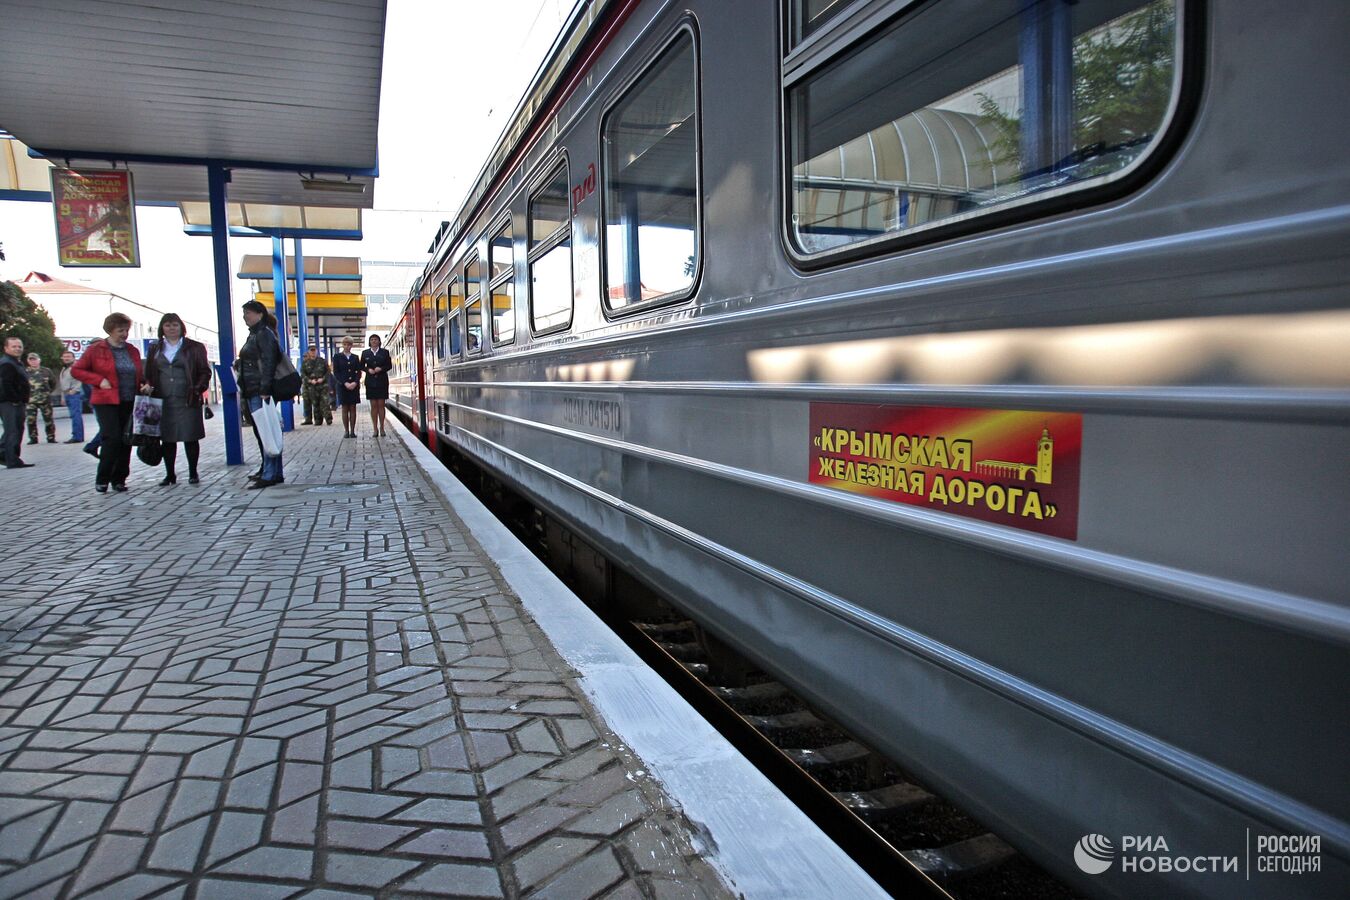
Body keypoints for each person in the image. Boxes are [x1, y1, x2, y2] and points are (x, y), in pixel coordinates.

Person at [72, 313, 145, 493]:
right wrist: (98, 380)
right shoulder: (96, 349)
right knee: (111, 438)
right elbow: (77, 370)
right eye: (120, 330)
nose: (124, 334)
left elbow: (139, 373)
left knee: (126, 439)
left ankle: (119, 479)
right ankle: (103, 478)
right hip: (106, 400)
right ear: (110, 330)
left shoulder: (132, 350)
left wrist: (144, 384)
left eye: (126, 330)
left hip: (129, 400)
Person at [143, 313, 211, 485]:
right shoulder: (155, 348)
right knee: (167, 438)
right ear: (162, 328)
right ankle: (170, 474)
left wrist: (197, 389)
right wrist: (147, 385)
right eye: (167, 325)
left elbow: (205, 371)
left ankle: (193, 472)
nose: (171, 328)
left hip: (188, 397)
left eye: (175, 325)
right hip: (163, 399)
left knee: (190, 436)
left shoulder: (194, 347)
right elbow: (149, 372)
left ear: (181, 327)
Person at [237, 300, 284, 488]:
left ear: (259, 314)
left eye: (247, 313)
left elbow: (269, 362)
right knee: (267, 430)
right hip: (254, 389)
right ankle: (274, 471)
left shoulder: (263, 334)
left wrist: (264, 389)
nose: (245, 317)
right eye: (244, 313)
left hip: (259, 390)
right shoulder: (257, 334)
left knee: (266, 431)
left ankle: (269, 474)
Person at [1, 335, 33, 468]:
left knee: (14, 429)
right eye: (14, 346)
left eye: (19, 346)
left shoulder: (15, 362)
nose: (17, 349)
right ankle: (12, 460)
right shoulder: (7, 363)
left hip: (16, 401)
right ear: (6, 348)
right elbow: (5, 384)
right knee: (13, 430)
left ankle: (4, 454)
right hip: (10, 403)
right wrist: (14, 399)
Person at [361, 334, 392, 437]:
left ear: (379, 341)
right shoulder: (365, 353)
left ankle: (382, 428)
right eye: (372, 340)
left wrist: (381, 369)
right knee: (373, 406)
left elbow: (389, 365)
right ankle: (375, 429)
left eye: (376, 340)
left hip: (382, 381)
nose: (374, 341)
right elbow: (361, 366)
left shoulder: (385, 352)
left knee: (381, 405)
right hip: (370, 382)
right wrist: (367, 369)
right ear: (369, 342)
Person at [25, 352, 57, 445]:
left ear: (39, 360)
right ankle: (33, 438)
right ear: (28, 361)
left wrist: (48, 392)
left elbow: (53, 383)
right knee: (31, 420)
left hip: (45, 400)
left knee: (49, 420)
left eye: (35, 359)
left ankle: (51, 437)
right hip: (31, 400)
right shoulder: (25, 372)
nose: (33, 361)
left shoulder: (46, 371)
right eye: (31, 360)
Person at [332, 337, 362, 438]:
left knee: (353, 408)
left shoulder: (355, 357)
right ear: (342, 345)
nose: (347, 346)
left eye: (349, 344)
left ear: (351, 345)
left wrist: (355, 382)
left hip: (354, 386)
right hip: (342, 386)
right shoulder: (337, 357)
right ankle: (346, 431)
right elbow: (336, 372)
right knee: (345, 408)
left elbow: (358, 372)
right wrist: (344, 383)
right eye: (345, 344)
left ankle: (352, 431)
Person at [58, 350, 86, 443]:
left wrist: (75, 390)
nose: (66, 358)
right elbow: (62, 383)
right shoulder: (64, 369)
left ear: (73, 358)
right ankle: (76, 434)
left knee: (76, 415)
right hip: (67, 393)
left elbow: (81, 379)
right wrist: (63, 397)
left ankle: (78, 436)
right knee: (73, 416)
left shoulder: (76, 367)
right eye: (65, 357)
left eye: (68, 357)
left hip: (74, 394)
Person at [300, 345, 332, 426]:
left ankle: (328, 418)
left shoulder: (322, 361)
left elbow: (328, 372)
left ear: (317, 351)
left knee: (325, 401)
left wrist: (323, 379)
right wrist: (310, 380)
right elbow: (303, 374)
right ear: (309, 352)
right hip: (312, 386)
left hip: (323, 385)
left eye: (314, 350)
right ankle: (318, 420)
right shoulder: (305, 363)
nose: (313, 352)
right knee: (315, 403)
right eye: (311, 351)